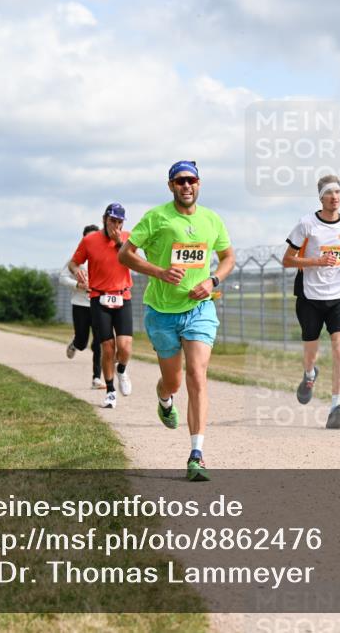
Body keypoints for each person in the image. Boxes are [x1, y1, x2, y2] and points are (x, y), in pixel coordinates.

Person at [119, 161, 234, 481]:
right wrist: (159, 272)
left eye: (192, 180)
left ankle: (196, 455)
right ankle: (164, 399)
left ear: (199, 184)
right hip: (162, 313)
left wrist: (212, 282)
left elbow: (228, 258)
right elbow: (125, 254)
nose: (186, 186)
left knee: (197, 374)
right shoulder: (157, 218)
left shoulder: (212, 220)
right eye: (180, 181)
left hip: (199, 310)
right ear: (171, 186)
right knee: (174, 381)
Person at [282, 174, 340, 429]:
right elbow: (287, 260)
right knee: (311, 351)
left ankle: (336, 407)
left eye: (338, 192)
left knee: (339, 347)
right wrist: (316, 261)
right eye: (330, 193)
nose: (335, 197)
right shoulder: (306, 224)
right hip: (309, 296)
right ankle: (309, 374)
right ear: (321, 197)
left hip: (338, 295)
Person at [69, 204, 135, 409]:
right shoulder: (90, 240)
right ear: (104, 219)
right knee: (107, 348)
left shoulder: (128, 238)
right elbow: (73, 262)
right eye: (112, 220)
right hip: (99, 298)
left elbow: (134, 262)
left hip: (122, 297)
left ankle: (122, 370)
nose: (115, 225)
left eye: (119, 222)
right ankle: (110, 391)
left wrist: (119, 243)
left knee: (124, 347)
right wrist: (77, 271)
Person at [61, 224, 106, 390]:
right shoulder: (77, 260)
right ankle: (75, 344)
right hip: (80, 305)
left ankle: (96, 379)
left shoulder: (104, 257)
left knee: (99, 342)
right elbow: (62, 278)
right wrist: (78, 286)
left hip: (99, 304)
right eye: (88, 238)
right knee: (82, 342)